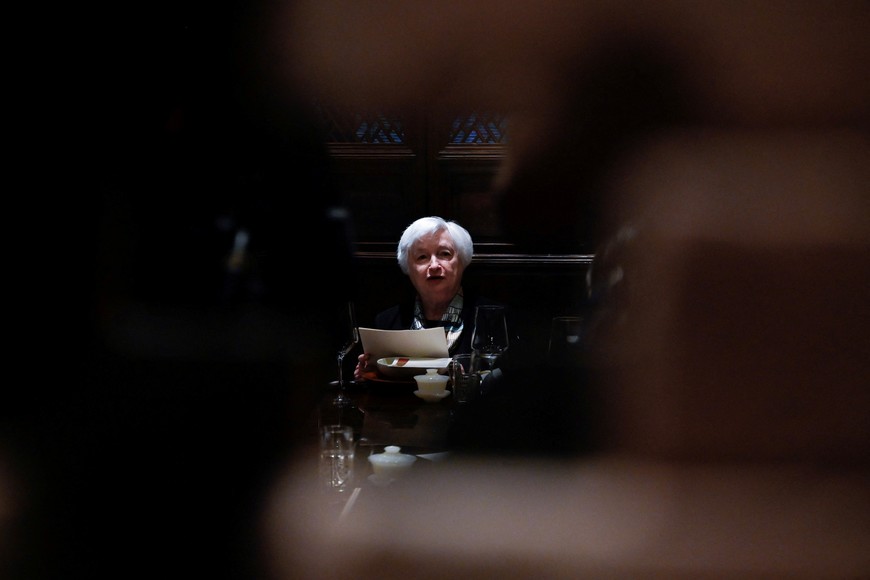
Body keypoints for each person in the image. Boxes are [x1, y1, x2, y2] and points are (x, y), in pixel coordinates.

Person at [353, 216, 508, 382]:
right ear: (407, 267)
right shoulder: (386, 322)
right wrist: (373, 375)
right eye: (422, 257)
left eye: (444, 254)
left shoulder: (492, 318)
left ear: (462, 261)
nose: (434, 265)